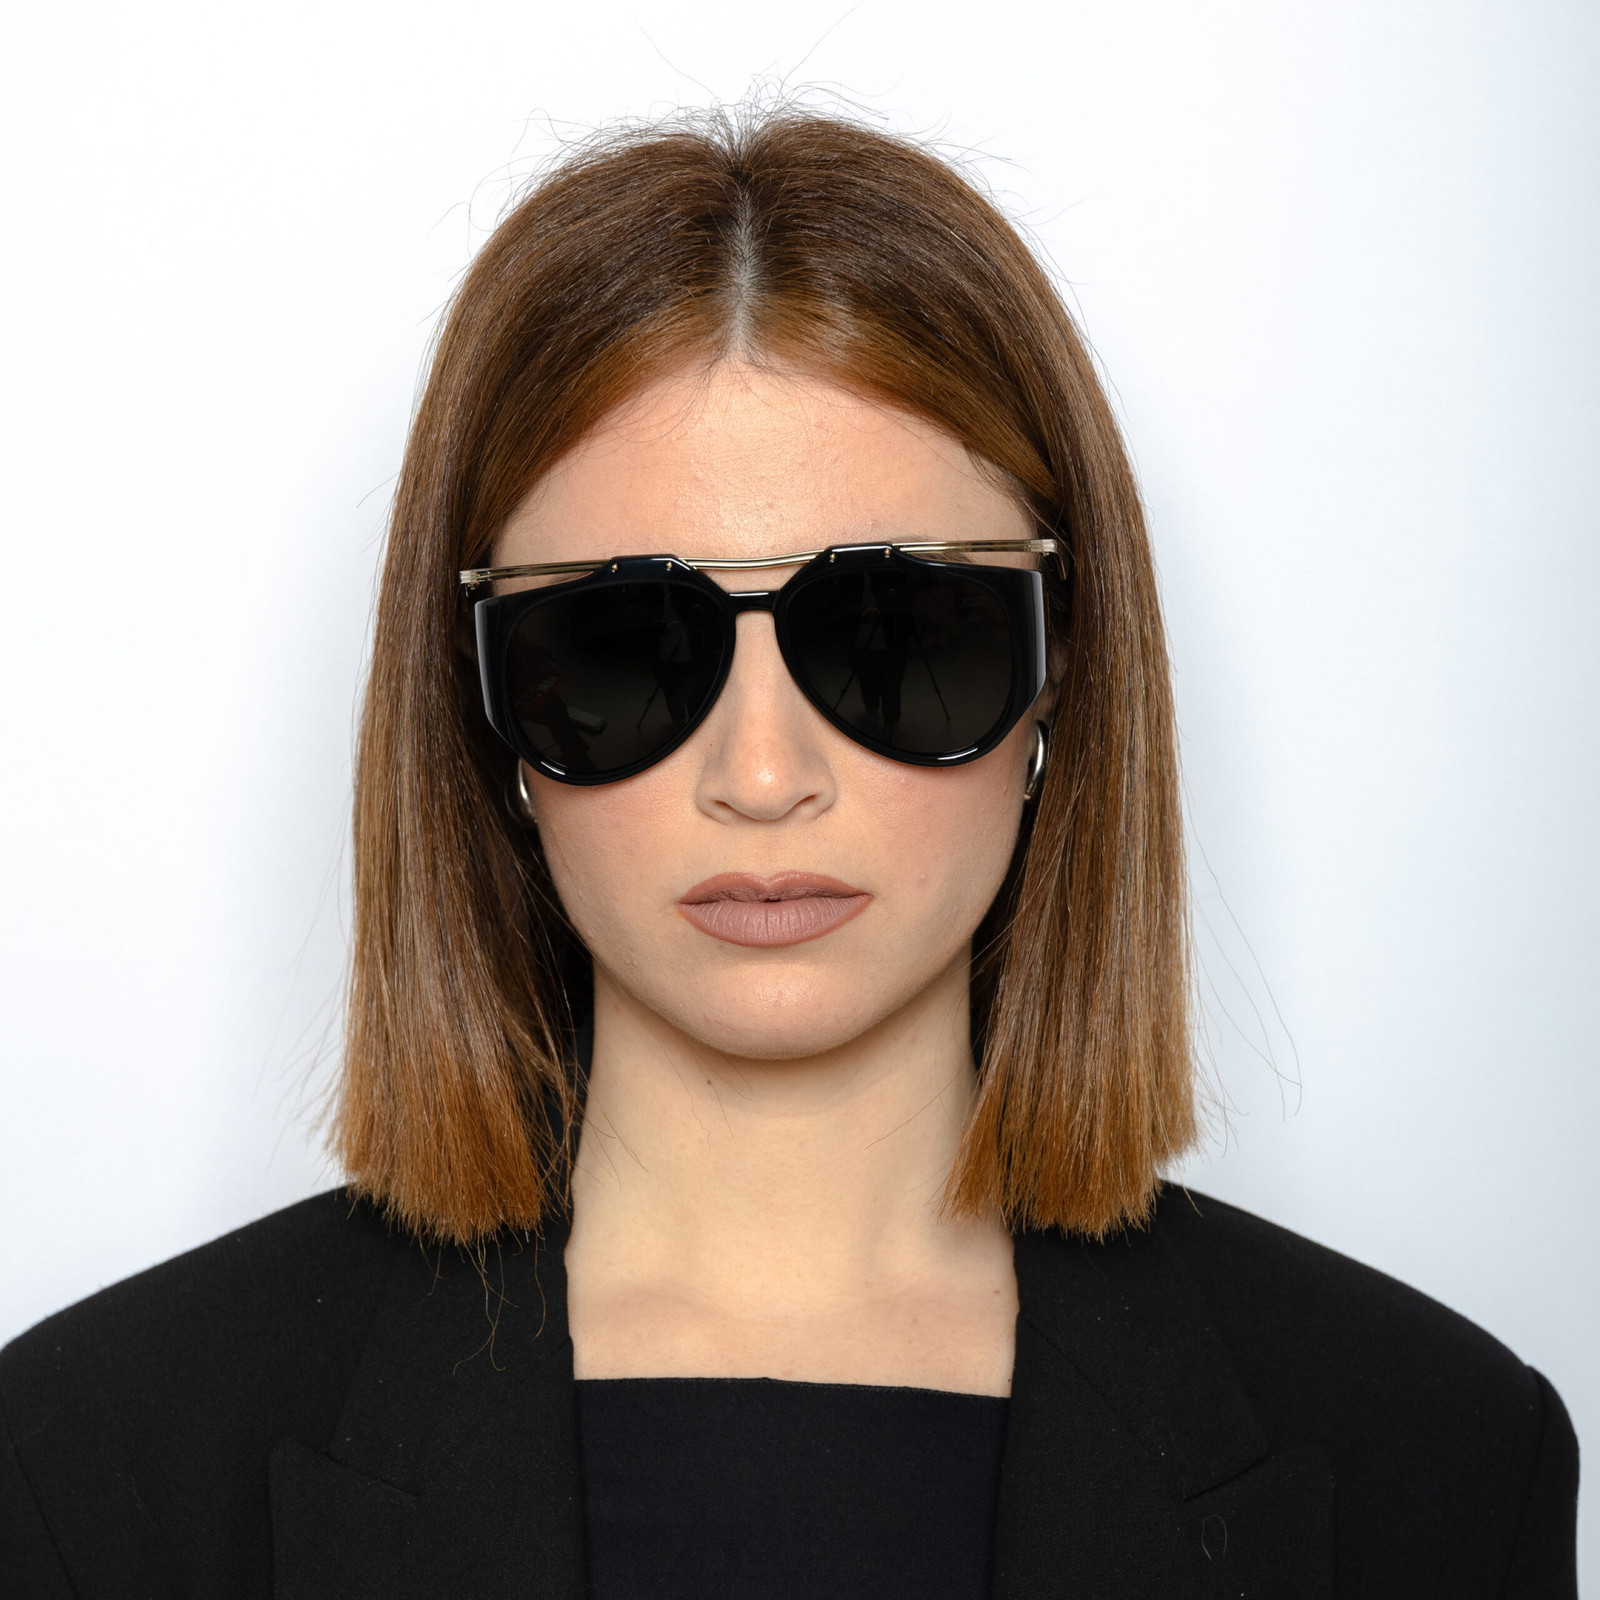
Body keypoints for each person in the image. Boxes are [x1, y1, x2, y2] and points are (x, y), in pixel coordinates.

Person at [0, 107, 1578, 1600]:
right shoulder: (92, 1467)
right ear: (481, 709)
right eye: (622, 647)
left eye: (900, 636)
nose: (763, 777)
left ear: (1062, 674)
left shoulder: (1438, 1461)